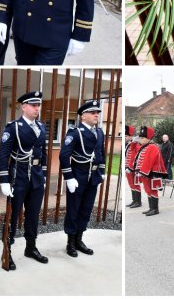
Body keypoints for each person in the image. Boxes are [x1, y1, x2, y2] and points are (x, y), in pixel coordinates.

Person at [0, 91, 50, 269]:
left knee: (33, 215)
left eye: (38, 105)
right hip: (18, 176)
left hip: (35, 177)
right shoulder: (13, 127)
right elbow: (3, 154)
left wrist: (42, 175)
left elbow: (43, 153)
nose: (37, 108)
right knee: (13, 215)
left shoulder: (42, 127)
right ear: (24, 107)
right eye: (33, 105)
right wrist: (4, 180)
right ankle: (7, 250)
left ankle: (31, 247)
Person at [60, 100, 106, 255]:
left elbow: (101, 153)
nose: (96, 115)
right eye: (93, 112)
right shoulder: (75, 132)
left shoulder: (99, 132)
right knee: (74, 210)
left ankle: (79, 239)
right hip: (78, 175)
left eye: (98, 112)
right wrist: (69, 177)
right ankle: (70, 243)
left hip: (93, 176)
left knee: (86, 209)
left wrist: (102, 171)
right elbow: (64, 155)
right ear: (83, 116)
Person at [135, 126, 168, 216]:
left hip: (151, 172)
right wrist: (139, 171)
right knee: (147, 189)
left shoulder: (152, 147)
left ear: (148, 139)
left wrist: (143, 172)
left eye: (142, 138)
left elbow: (149, 161)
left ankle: (155, 209)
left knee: (153, 190)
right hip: (145, 172)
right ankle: (151, 208)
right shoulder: (145, 146)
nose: (140, 140)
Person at [124, 124, 143, 209]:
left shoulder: (136, 144)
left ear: (131, 136)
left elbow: (136, 157)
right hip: (127, 168)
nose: (124, 137)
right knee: (131, 184)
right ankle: (134, 200)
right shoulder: (128, 144)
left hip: (133, 169)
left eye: (126, 136)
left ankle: (138, 202)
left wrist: (131, 167)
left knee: (136, 184)